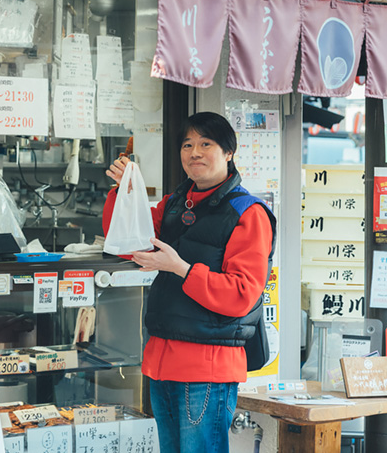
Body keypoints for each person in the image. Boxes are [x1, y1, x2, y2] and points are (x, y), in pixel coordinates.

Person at [103, 111, 275, 453]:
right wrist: (122, 191)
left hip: (207, 369)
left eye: (206, 144)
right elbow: (127, 241)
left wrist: (181, 268)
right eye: (187, 144)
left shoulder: (248, 213)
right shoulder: (174, 203)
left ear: (229, 152)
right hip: (161, 359)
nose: (194, 152)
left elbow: (242, 294)